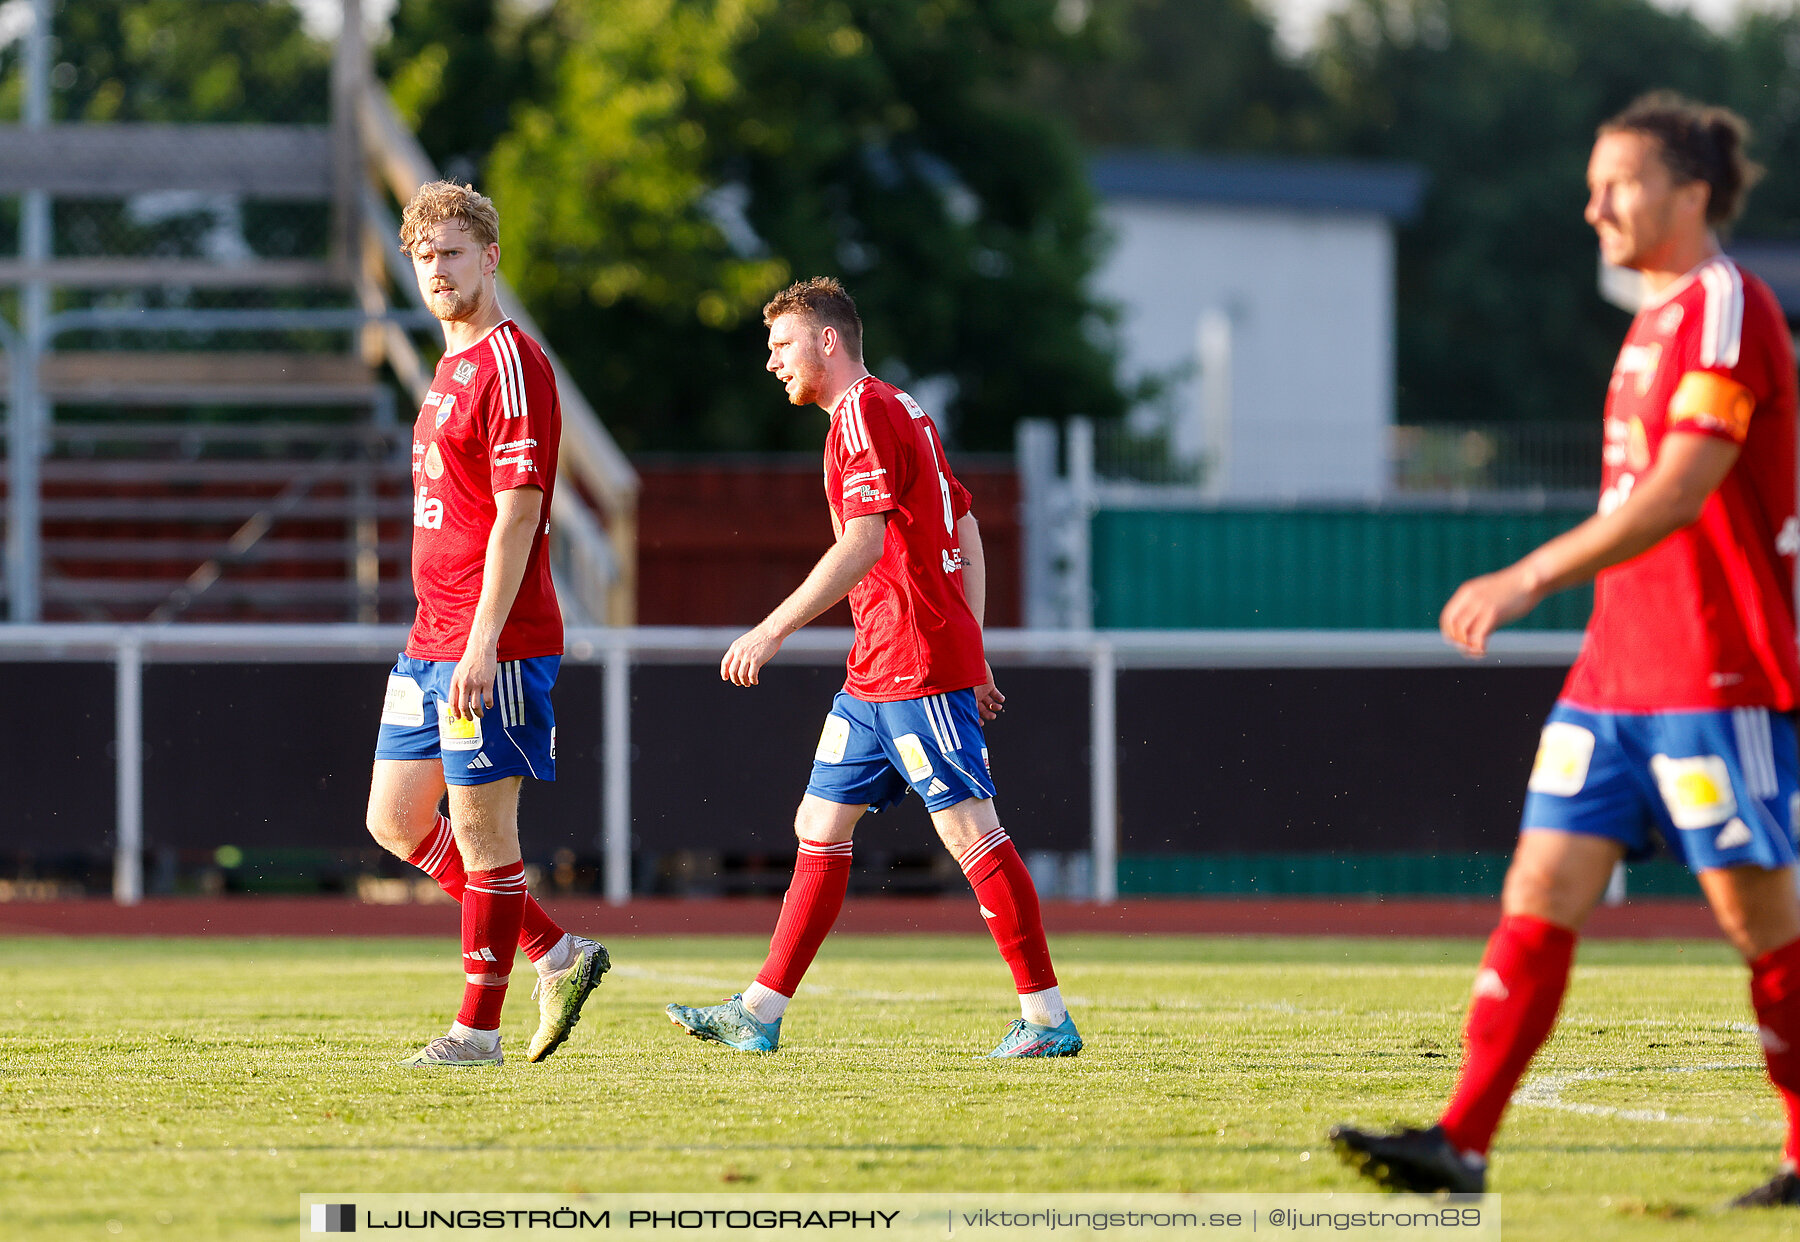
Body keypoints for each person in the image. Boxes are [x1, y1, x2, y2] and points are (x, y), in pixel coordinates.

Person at [1331, 93, 1800, 1207]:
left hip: (1712, 674)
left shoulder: (1726, 310)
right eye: (1592, 184)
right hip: (1615, 678)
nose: (1593, 206)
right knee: (1537, 888)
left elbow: (1683, 493)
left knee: (1761, 927)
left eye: (1618, 182)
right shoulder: (1647, 321)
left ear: (1691, 193)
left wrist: (1526, 574)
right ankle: (1461, 1145)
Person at [664, 277, 1080, 1058]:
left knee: (970, 833)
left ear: (828, 340)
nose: (771, 363)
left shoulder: (861, 412)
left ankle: (1049, 1019)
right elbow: (967, 523)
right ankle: (759, 1011)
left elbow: (863, 543)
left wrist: (771, 629)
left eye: (781, 345)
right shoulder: (901, 407)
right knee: (818, 826)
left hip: (913, 661)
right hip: (879, 669)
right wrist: (975, 640)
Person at [364, 180, 608, 1068]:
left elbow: (518, 511)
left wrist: (481, 641)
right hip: (430, 638)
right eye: (424, 256)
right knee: (395, 820)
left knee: (482, 829)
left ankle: (477, 1032)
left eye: (454, 253)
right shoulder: (447, 369)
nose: (437, 270)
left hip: (487, 641)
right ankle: (557, 950)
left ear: (491, 257)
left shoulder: (511, 360)